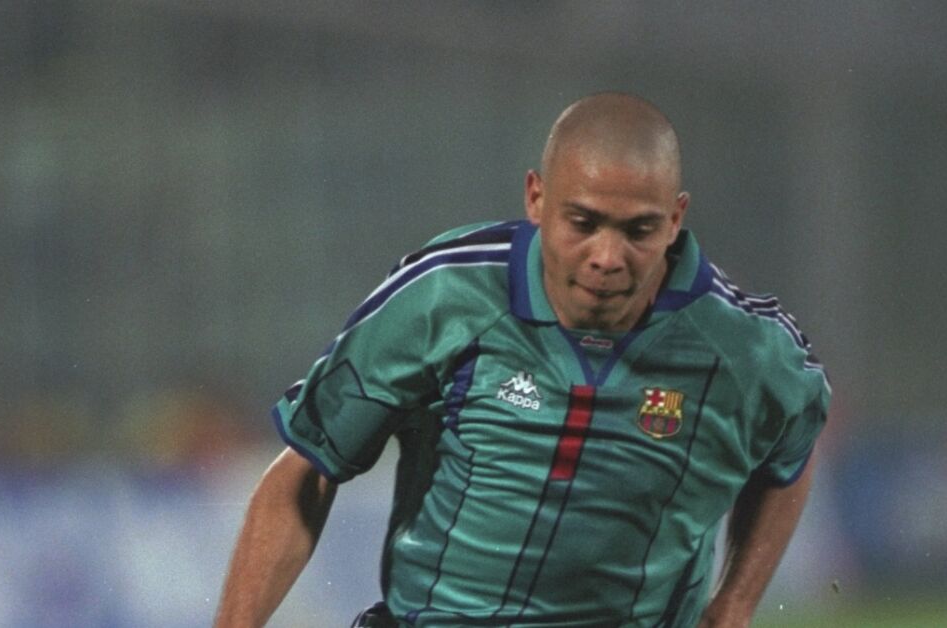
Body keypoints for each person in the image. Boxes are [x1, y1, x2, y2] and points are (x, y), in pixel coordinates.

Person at [214, 92, 830, 627]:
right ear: (536, 198)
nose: (607, 256)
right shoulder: (442, 297)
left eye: (638, 231)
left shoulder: (747, 349)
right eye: (583, 222)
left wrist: (733, 605)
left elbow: (792, 451)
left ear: (675, 220)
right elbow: (309, 469)